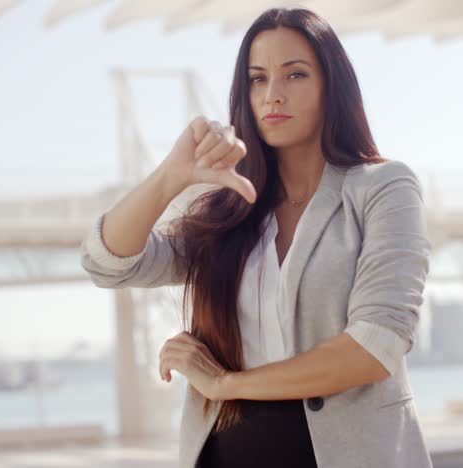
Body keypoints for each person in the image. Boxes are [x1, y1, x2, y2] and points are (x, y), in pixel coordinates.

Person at [80, 7, 433, 468]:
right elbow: (107, 263)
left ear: (332, 86)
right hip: (227, 454)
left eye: (295, 74)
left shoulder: (383, 188)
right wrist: (171, 176)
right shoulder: (225, 212)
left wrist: (225, 385)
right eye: (257, 79)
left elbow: (373, 347)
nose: (274, 95)